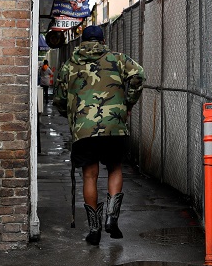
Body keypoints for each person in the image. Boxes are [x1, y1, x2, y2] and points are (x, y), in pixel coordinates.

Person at [53, 25, 145, 245]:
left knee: (89, 175)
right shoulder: (117, 59)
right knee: (114, 168)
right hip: (114, 126)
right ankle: (111, 217)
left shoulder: (69, 65)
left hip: (84, 129)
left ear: (82, 42)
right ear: (103, 41)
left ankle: (94, 229)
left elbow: (59, 98)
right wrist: (128, 102)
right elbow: (138, 75)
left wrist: (72, 115)